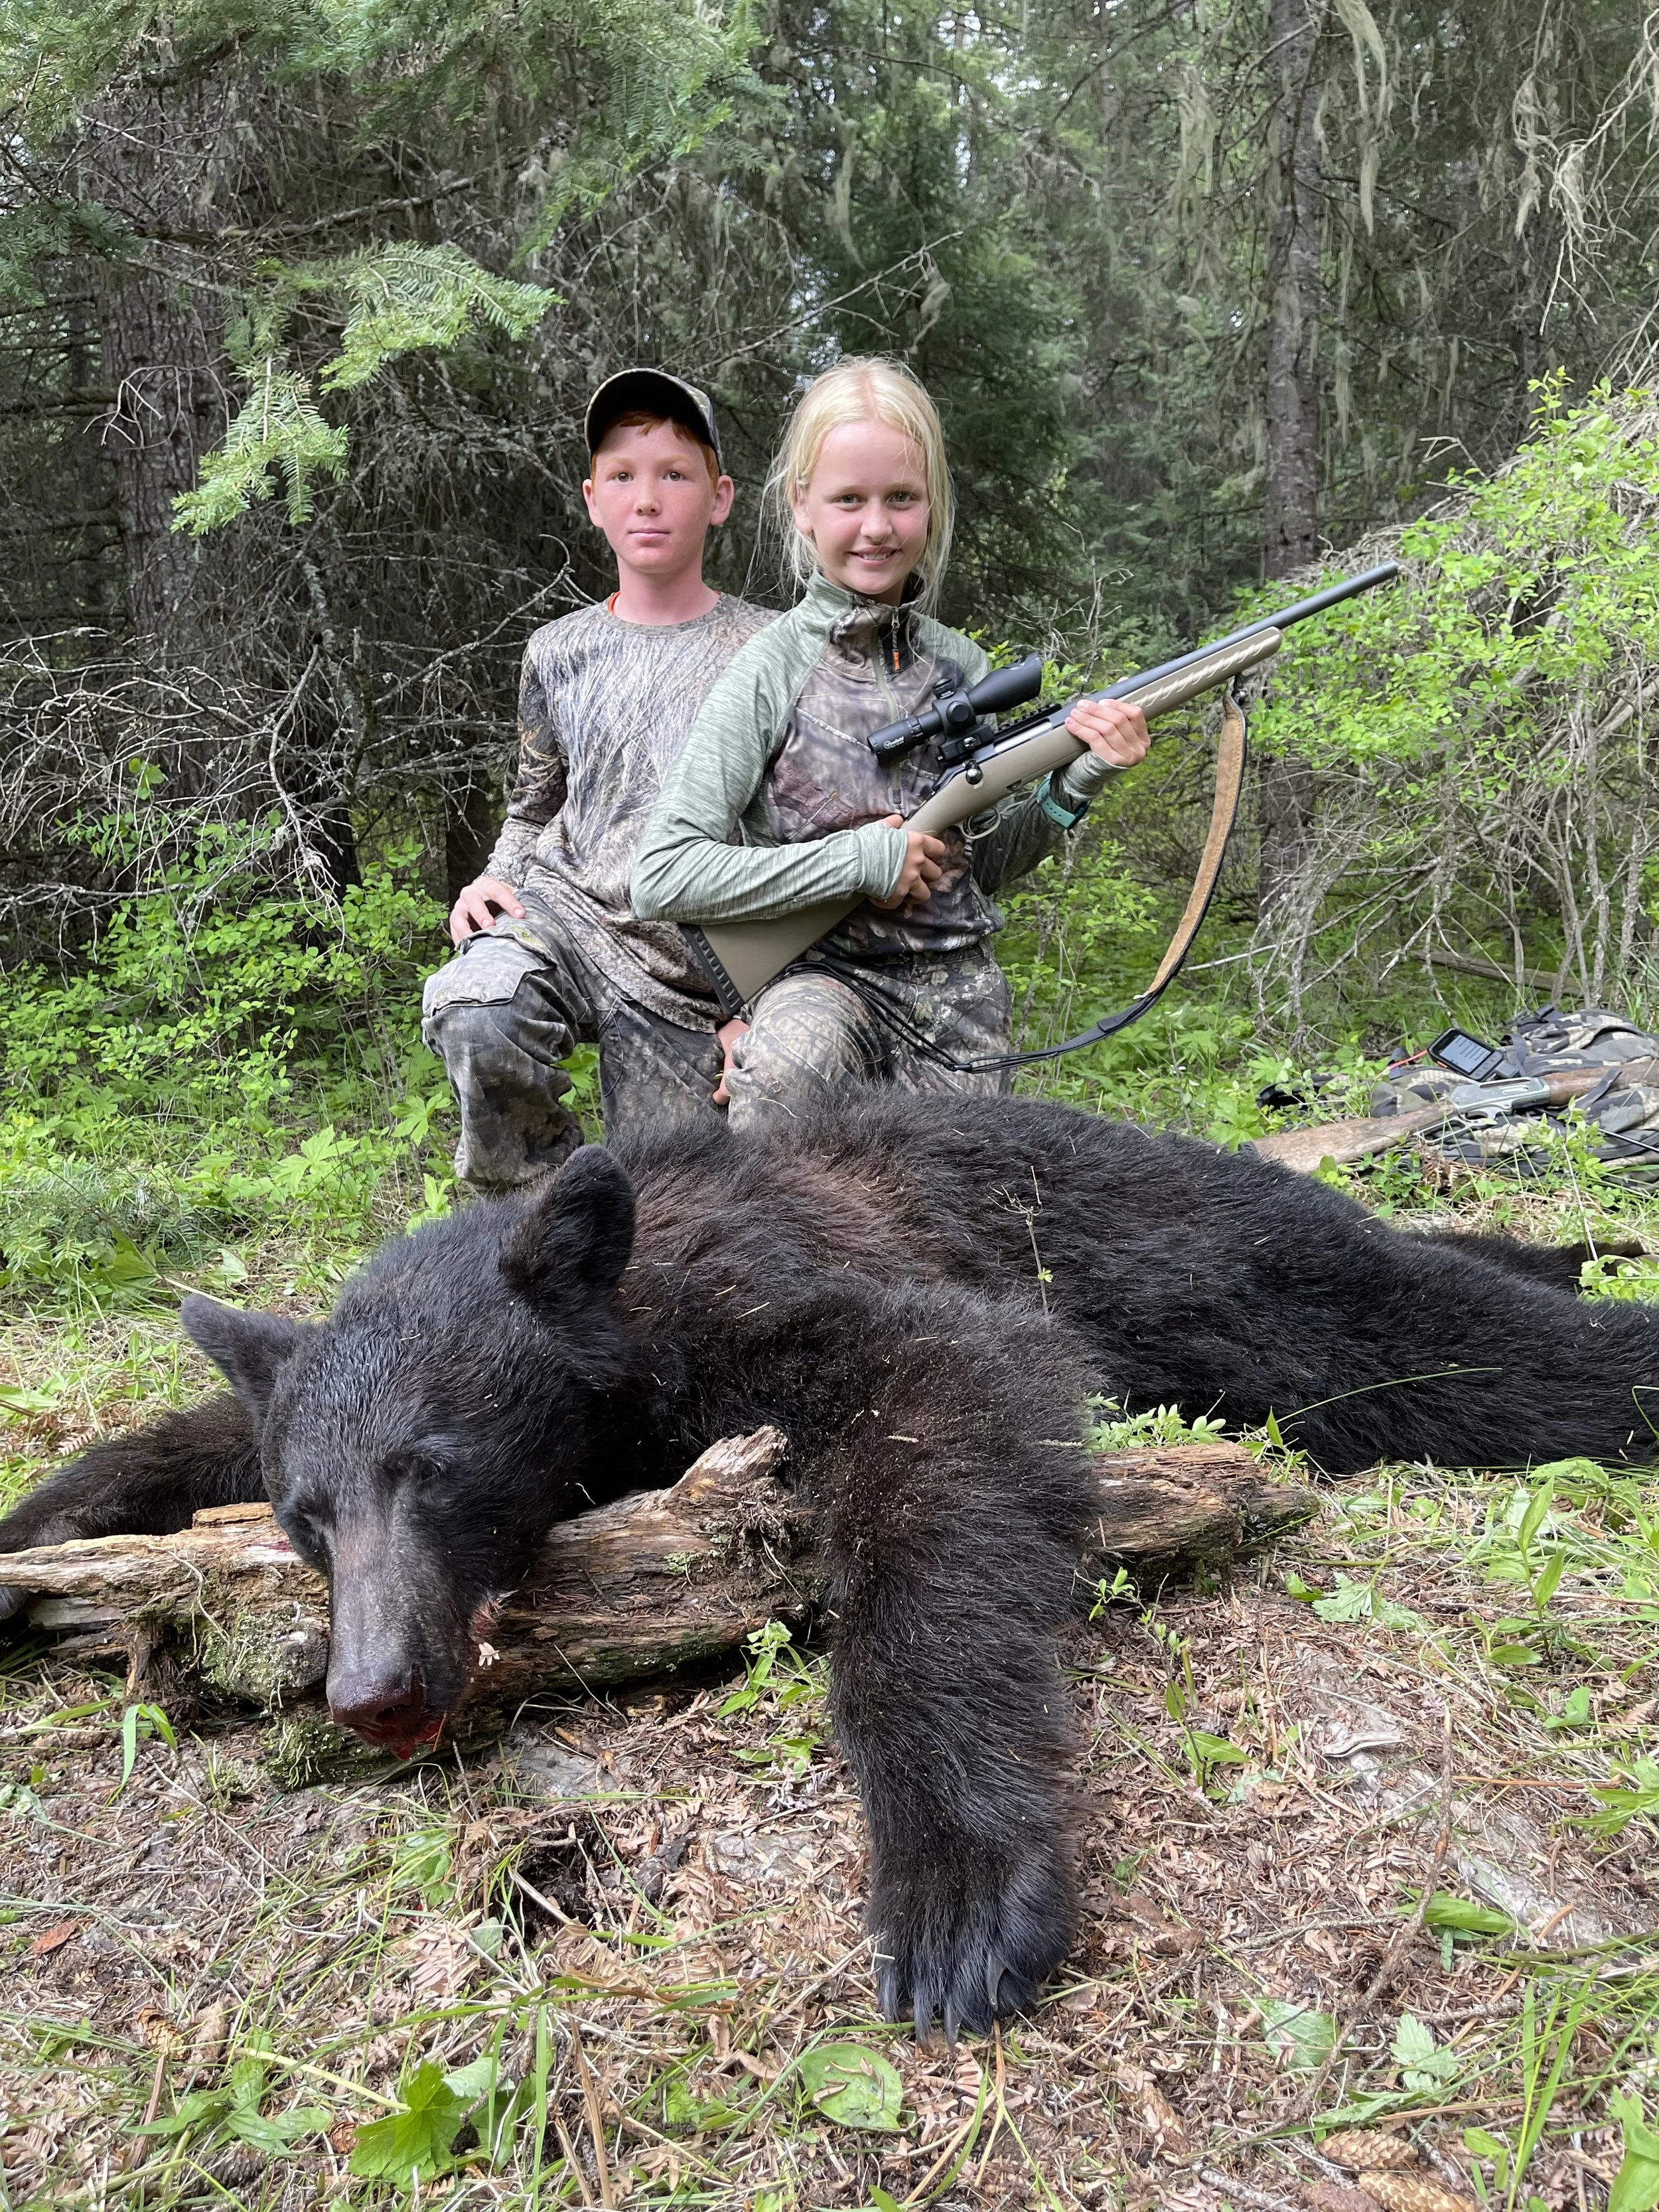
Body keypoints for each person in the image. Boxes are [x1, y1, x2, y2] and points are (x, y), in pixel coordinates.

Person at [630, 356, 1149, 1125]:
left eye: (901, 499)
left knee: (960, 1215)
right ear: (802, 506)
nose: (877, 527)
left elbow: (986, 863)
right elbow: (663, 874)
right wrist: (862, 859)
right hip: (820, 980)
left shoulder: (962, 667)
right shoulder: (767, 671)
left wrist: (1077, 780)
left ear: (931, 507)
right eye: (850, 500)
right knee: (779, 1089)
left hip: (956, 997)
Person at [422, 370, 774, 1191]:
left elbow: (789, 838)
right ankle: (531, 1231)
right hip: (567, 918)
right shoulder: (556, 650)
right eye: (622, 476)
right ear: (592, 498)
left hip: (690, 967)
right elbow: (534, 802)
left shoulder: (770, 649)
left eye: (674, 475)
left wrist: (756, 1004)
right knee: (477, 1012)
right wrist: (495, 875)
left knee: (678, 1207)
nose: (646, 500)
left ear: (719, 497)